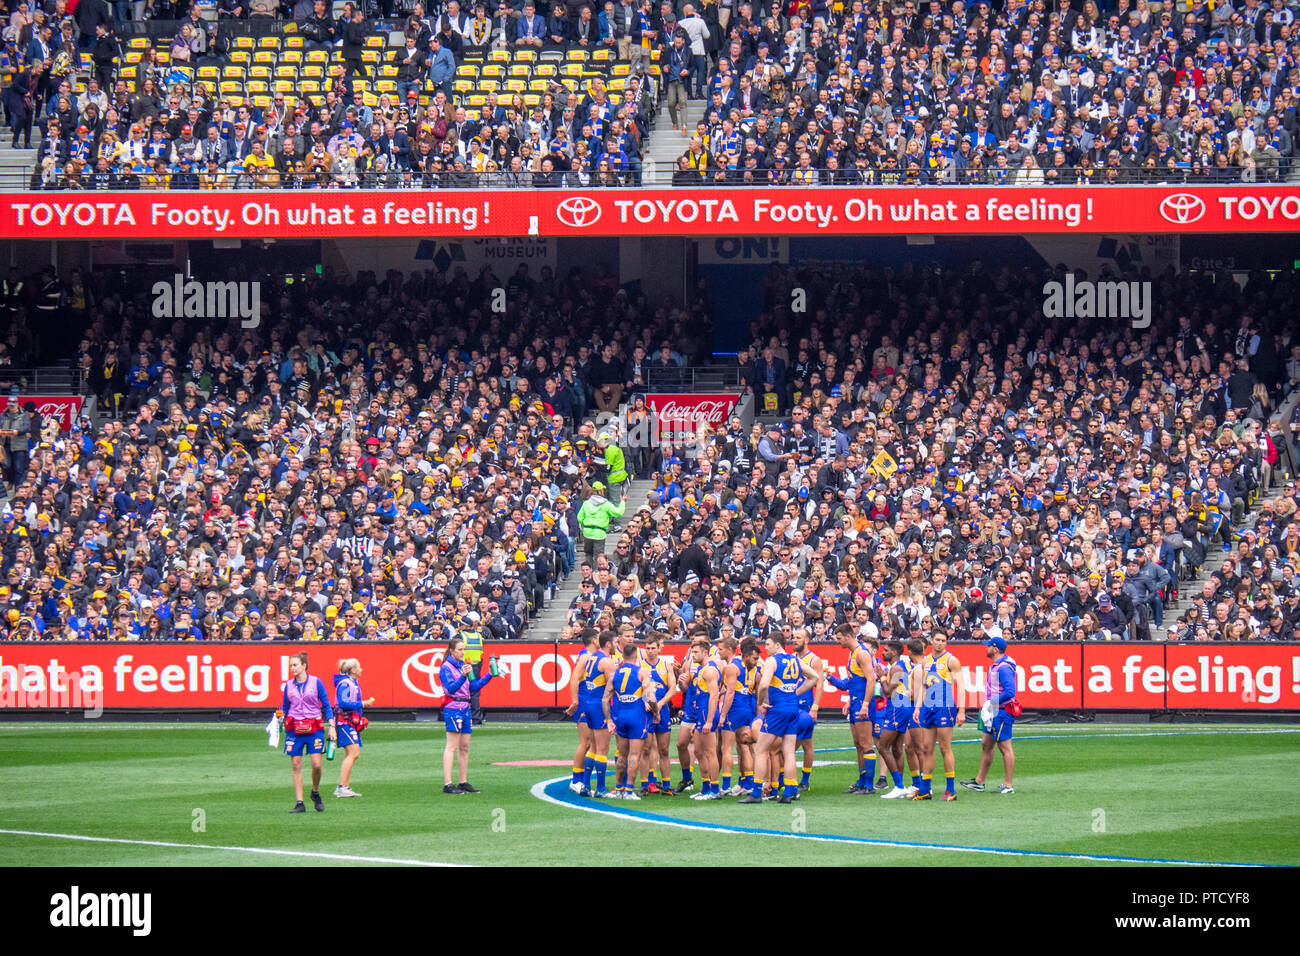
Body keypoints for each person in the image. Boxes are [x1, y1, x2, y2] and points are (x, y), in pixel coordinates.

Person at [739, 633, 818, 804]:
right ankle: (789, 791)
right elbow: (815, 677)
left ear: (777, 644)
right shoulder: (795, 660)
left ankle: (756, 792)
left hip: (778, 709)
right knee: (789, 751)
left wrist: (762, 703)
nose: (765, 647)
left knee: (760, 749)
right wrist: (794, 693)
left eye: (767, 644)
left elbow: (764, 684)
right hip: (792, 708)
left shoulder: (772, 661)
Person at [911, 631, 966, 801]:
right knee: (927, 748)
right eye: (937, 640)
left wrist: (961, 710)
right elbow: (924, 687)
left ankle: (951, 789)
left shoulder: (951, 660)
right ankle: (925, 789)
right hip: (928, 708)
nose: (940, 643)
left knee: (944, 747)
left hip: (945, 707)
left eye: (943, 640)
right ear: (931, 641)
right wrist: (918, 708)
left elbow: (961, 686)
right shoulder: (925, 661)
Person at [439, 635, 496, 794]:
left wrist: (489, 675)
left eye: (464, 649)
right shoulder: (446, 668)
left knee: (464, 746)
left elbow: (474, 686)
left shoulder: (463, 665)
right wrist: (463, 676)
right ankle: (447, 783)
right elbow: (450, 689)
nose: (463, 652)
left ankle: (463, 781)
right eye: (460, 650)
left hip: (465, 706)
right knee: (452, 746)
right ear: (452, 651)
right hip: (453, 706)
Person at [602, 641, 658, 800]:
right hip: (636, 716)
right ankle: (629, 790)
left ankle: (619, 788)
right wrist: (656, 712)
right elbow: (649, 695)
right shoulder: (642, 672)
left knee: (621, 755)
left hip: (620, 716)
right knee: (634, 754)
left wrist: (609, 720)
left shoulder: (615, 674)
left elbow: (605, 699)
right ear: (636, 656)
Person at [963, 636, 1019, 795]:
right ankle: (979, 782)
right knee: (986, 744)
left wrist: (991, 702)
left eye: (988, 646)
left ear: (995, 649)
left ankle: (1008, 785)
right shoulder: (998, 665)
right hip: (994, 710)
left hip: (1001, 711)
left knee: (1005, 747)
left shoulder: (1003, 667)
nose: (986, 648)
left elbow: (1010, 692)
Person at [281, 651, 336, 813]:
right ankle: (300, 802)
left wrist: (332, 726)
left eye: (295, 665)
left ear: (304, 666)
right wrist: (284, 720)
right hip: (294, 727)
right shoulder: (289, 685)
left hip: (314, 726)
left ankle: (315, 791)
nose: (292, 668)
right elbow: (285, 706)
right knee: (296, 764)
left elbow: (326, 704)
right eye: (291, 665)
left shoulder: (316, 682)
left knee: (317, 765)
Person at [826, 624, 878, 794]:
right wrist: (829, 677)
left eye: (839, 638)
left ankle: (869, 785)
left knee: (865, 744)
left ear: (848, 636)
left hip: (863, 704)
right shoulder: (853, 654)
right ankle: (862, 780)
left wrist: (864, 705)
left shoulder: (862, 654)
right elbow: (851, 683)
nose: (837, 642)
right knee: (858, 744)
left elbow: (871, 679)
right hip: (855, 702)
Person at [564, 627, 612, 795]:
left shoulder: (587, 656)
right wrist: (575, 700)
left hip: (586, 701)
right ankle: (577, 779)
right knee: (586, 742)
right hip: (587, 701)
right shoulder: (586, 656)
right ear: (594, 640)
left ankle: (583, 781)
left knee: (590, 744)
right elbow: (574, 678)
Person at [718, 635, 759, 796]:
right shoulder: (750, 667)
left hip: (734, 709)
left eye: (720, 649)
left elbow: (730, 692)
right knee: (745, 747)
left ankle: (726, 785)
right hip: (747, 708)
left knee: (726, 748)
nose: (718, 652)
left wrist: (723, 715)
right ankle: (747, 782)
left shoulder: (732, 667)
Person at [635, 631, 676, 795]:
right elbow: (636, 688)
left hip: (663, 710)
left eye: (653, 648)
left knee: (664, 750)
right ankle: (645, 785)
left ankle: (666, 785)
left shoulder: (666, 665)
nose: (650, 651)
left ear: (659, 649)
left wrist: (660, 704)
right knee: (645, 749)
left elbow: (672, 688)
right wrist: (645, 701)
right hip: (645, 712)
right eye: (648, 648)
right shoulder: (640, 665)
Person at [877, 639, 919, 799]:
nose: (883, 652)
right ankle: (899, 785)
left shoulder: (896, 668)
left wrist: (881, 678)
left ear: (894, 652)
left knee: (882, 746)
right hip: (901, 706)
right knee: (896, 748)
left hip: (897, 707)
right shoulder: (898, 667)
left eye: (886, 650)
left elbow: (887, 692)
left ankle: (899, 785)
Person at [687, 636, 723, 800]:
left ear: (705, 652)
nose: (692, 655)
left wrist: (709, 720)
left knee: (710, 752)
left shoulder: (709, 670)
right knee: (699, 751)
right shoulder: (702, 670)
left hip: (707, 713)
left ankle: (714, 789)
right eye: (692, 651)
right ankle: (706, 786)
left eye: (695, 652)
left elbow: (714, 695)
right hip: (701, 713)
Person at [333, 658, 374, 798]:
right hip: (345, 722)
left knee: (350, 754)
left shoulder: (350, 683)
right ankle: (342, 786)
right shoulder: (346, 684)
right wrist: (362, 704)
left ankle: (344, 785)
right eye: (360, 667)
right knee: (353, 753)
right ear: (353, 670)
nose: (361, 670)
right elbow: (343, 703)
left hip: (347, 722)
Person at [791, 626, 824, 791]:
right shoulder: (791, 657)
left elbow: (819, 685)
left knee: (806, 743)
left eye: (798, 637)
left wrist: (815, 708)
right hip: (791, 704)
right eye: (794, 637)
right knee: (789, 742)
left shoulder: (814, 659)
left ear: (806, 640)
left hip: (806, 705)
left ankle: (805, 780)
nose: (794, 640)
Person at [577, 479, 625, 561]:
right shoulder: (606, 504)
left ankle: (588, 572)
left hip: (587, 532)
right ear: (601, 490)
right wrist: (623, 502)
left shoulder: (586, 503)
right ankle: (596, 572)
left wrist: (585, 524)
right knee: (598, 556)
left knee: (588, 554)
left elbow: (579, 517)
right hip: (600, 533)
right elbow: (618, 512)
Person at [458, 610, 488, 725]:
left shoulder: (461, 636)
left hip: (464, 668)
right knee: (475, 694)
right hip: (476, 667)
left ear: (465, 626)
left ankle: (462, 717)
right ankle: (476, 718)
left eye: (461, 624)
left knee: (461, 693)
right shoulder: (479, 636)